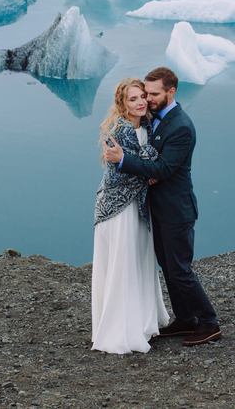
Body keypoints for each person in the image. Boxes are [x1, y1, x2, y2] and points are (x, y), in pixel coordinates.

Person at [102, 67, 222, 346]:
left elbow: (165, 168)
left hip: (176, 210)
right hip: (159, 209)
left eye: (154, 94)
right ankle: (184, 320)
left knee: (180, 270)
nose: (148, 99)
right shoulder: (155, 118)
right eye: (145, 93)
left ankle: (209, 323)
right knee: (168, 268)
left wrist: (124, 160)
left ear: (172, 92)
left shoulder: (181, 126)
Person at [92, 77, 170, 354]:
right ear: (122, 104)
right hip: (118, 209)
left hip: (137, 207)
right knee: (122, 265)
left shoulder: (147, 126)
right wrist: (149, 170)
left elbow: (146, 163)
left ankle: (140, 322)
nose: (140, 102)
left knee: (137, 262)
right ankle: (119, 331)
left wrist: (146, 168)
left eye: (142, 97)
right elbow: (120, 173)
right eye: (132, 99)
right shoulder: (119, 131)